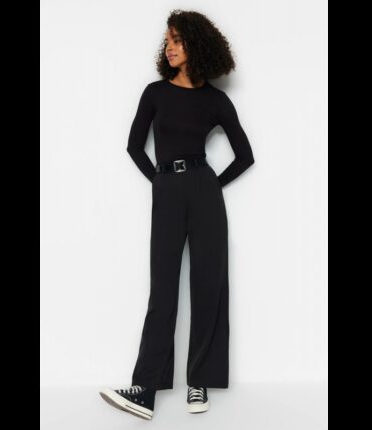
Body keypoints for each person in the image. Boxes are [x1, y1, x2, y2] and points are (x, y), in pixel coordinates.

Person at [99, 9, 255, 420]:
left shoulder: (215, 100)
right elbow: (134, 146)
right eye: (167, 40)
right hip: (167, 190)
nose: (169, 47)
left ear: (197, 45)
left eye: (178, 40)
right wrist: (160, 180)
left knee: (208, 285)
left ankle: (199, 382)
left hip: (204, 193)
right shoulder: (155, 93)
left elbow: (245, 155)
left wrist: (210, 186)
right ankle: (145, 390)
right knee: (163, 289)